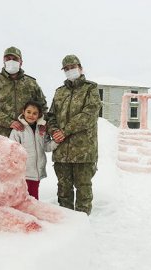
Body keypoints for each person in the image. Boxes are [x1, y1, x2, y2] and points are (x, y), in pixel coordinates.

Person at [47, 55, 101, 215]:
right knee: (63, 190)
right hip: (62, 151)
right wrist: (54, 131)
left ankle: (83, 225)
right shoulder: (59, 92)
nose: (70, 70)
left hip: (83, 152)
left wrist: (65, 131)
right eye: (67, 68)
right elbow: (51, 116)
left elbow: (89, 115)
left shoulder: (90, 89)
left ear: (80, 67)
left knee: (83, 188)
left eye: (73, 67)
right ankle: (66, 224)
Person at [0, 46, 48, 137]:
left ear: (21, 62)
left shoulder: (31, 83)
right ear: (3, 61)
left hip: (25, 136)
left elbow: (42, 106)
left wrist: (41, 123)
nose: (11, 61)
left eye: (15, 59)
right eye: (8, 59)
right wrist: (9, 122)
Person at [9, 101, 58, 200]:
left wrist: (56, 142)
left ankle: (33, 214)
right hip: (24, 173)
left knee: (34, 199)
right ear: (23, 112)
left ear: (39, 115)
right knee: (22, 198)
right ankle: (23, 215)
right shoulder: (18, 130)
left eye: (35, 113)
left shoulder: (41, 129)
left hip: (36, 172)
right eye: (29, 112)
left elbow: (46, 147)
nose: (31, 115)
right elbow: (12, 150)